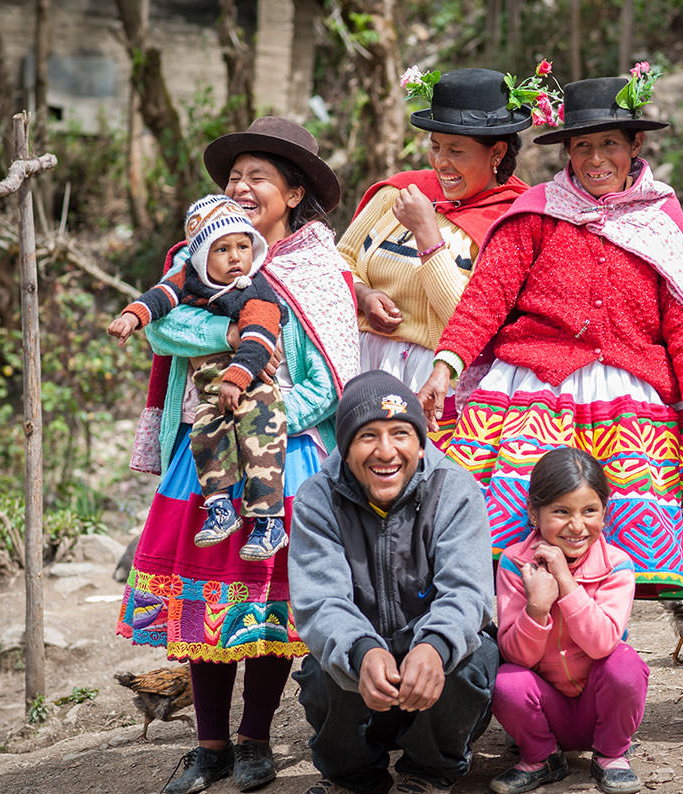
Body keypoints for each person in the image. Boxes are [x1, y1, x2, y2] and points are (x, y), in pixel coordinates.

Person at [116, 116, 360, 794]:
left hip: (285, 455)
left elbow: (333, 381)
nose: (241, 188)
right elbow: (162, 328)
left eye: (258, 177)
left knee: (268, 601)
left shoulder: (318, 273)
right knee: (206, 595)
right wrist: (236, 326)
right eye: (233, 178)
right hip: (204, 454)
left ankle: (255, 740)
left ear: (294, 192)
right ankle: (209, 745)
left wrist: (268, 411)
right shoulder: (196, 260)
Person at [418, 71, 683, 597]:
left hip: (626, 400)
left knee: (610, 556)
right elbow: (485, 299)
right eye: (583, 147)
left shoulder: (659, 220)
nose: (596, 159)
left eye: (609, 144)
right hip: (534, 393)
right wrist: (446, 366)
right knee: (513, 546)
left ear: (636, 145)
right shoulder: (537, 213)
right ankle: (516, 654)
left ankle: (599, 654)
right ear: (567, 152)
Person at [288, 370, 498, 794]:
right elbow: (321, 602)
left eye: (401, 433)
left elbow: (467, 591)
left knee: (475, 660)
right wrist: (363, 652)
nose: (386, 451)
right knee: (321, 672)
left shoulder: (456, 489)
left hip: (432, 678)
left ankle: (428, 773)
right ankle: (354, 778)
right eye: (368, 437)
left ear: (420, 445)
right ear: (345, 451)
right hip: (365, 682)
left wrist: (434, 646)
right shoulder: (317, 497)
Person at [339, 68, 531, 445]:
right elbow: (340, 260)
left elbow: (470, 321)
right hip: (363, 366)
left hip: (440, 382)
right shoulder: (399, 193)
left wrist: (428, 234)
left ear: (497, 152)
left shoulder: (511, 220)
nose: (441, 162)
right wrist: (363, 295)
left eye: (456, 151)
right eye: (436, 146)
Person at [109, 194, 290, 560]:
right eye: (222, 249)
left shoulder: (254, 289)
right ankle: (220, 507)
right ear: (202, 255)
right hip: (211, 393)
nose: (236, 256)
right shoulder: (191, 278)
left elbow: (259, 337)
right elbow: (161, 297)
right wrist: (132, 316)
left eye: (243, 245)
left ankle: (268, 520)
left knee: (261, 444)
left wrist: (236, 378)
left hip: (253, 387)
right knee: (205, 437)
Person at [490, 447, 648, 794]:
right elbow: (518, 657)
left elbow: (602, 642)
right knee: (506, 681)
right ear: (535, 512)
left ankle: (611, 754)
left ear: (604, 513)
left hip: (599, 710)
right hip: (544, 714)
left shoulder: (616, 566)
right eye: (561, 512)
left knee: (625, 663)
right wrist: (536, 608)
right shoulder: (516, 565)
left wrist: (566, 582)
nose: (577, 526)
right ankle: (542, 757)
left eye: (589, 511)